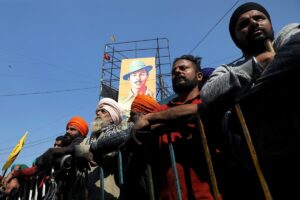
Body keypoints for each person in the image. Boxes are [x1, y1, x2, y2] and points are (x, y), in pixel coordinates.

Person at [135, 55, 221, 200]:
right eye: (174, 71)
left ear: (199, 76)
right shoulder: (162, 109)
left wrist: (150, 118)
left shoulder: (208, 98)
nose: (178, 72)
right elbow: (144, 129)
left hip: (209, 194)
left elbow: (199, 109)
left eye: (183, 68)